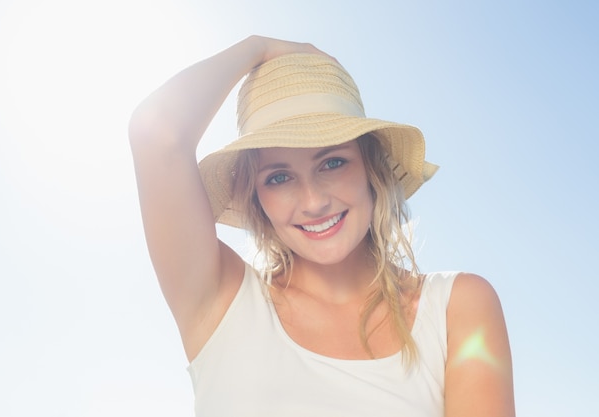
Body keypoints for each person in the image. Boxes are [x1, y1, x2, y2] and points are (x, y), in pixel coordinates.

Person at [128, 35, 515, 416]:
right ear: (257, 197)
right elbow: (155, 130)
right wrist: (256, 47)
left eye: (332, 163)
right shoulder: (219, 301)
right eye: (279, 177)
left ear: (371, 166)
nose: (313, 202)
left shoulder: (456, 307)